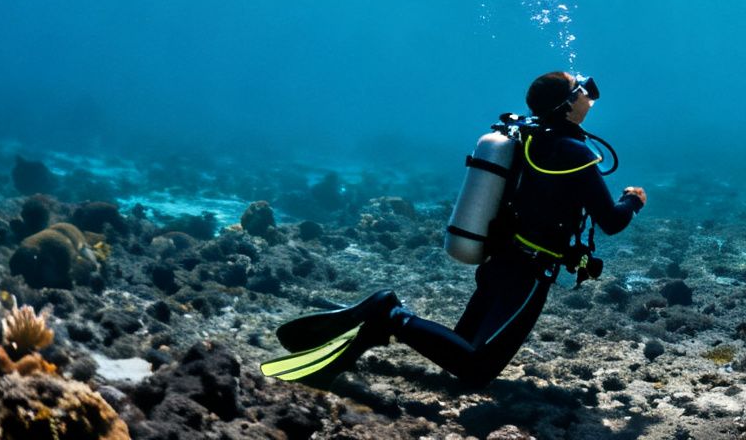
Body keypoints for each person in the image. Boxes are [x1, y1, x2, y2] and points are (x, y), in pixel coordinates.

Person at [262, 72, 646, 387]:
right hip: (527, 272)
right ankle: (388, 313)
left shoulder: (528, 137)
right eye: (581, 90)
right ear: (565, 105)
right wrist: (633, 200)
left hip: (501, 260)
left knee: (458, 349)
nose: (589, 95)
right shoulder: (574, 153)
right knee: (476, 370)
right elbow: (610, 222)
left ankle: (379, 328)